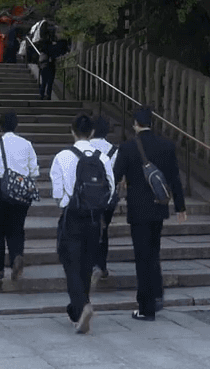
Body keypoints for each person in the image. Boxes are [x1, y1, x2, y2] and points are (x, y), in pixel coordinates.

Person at [113, 105, 185, 321]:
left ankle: (146, 307)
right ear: (151, 123)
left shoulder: (127, 148)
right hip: (158, 207)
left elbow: (116, 175)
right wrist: (180, 206)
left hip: (138, 209)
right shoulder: (166, 146)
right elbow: (175, 178)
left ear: (135, 124)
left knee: (142, 257)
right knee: (153, 253)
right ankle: (156, 295)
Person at [50, 112, 116, 333]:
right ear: (92, 133)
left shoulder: (62, 156)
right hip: (95, 218)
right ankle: (79, 307)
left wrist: (68, 200)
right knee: (87, 264)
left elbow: (58, 193)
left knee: (71, 263)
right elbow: (111, 189)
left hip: (72, 216)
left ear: (72, 130)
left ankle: (82, 307)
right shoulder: (103, 157)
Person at [0, 112, 39, 281]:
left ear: (1, 126)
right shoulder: (27, 144)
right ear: (16, 125)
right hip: (22, 190)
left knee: (0, 229)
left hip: (1, 190)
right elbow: (34, 171)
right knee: (17, 228)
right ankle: (16, 258)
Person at [88, 115, 116, 282]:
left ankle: (88, 263)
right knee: (103, 230)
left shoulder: (83, 148)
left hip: (87, 197)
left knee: (88, 229)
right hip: (106, 198)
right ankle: (102, 265)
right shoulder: (114, 150)